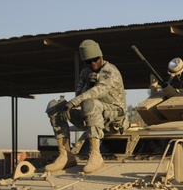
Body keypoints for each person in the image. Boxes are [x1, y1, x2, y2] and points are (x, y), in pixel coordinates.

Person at [44, 39, 128, 174]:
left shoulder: (110, 70)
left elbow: (100, 90)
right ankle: (66, 155)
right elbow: (80, 94)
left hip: (114, 116)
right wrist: (87, 84)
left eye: (95, 59)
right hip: (91, 115)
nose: (93, 63)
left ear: (100, 56)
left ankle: (95, 155)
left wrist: (73, 102)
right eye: (88, 61)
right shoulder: (85, 73)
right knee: (56, 107)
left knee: (90, 103)